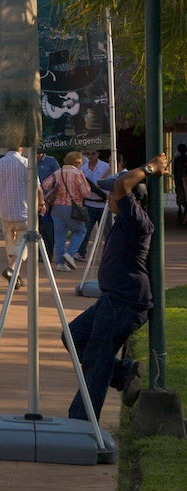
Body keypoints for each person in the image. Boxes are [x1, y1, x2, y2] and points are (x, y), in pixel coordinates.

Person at [66, 151, 169, 423]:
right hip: (112, 299)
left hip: (126, 302)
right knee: (73, 337)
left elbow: (124, 186)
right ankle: (124, 373)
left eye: (114, 194)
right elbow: (118, 187)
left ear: (134, 199)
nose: (110, 196)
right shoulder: (121, 220)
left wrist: (151, 167)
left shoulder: (138, 222)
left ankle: (82, 422)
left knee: (97, 359)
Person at [0, 146, 43, 285]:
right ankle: (12, 268)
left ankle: (15, 276)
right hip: (24, 211)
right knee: (24, 243)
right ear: (21, 148)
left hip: (5, 212)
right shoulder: (27, 163)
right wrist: (42, 203)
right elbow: (38, 187)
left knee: (10, 244)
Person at [42, 151, 92, 271]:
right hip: (72, 207)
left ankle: (60, 263)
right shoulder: (78, 174)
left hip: (57, 207)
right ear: (78, 162)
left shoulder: (58, 172)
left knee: (59, 235)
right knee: (80, 231)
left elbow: (45, 185)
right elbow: (86, 193)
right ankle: (70, 254)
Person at [77, 148, 113, 259]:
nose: (90, 156)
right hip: (89, 203)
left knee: (108, 232)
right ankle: (81, 252)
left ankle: (109, 254)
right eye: (87, 154)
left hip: (104, 203)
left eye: (93, 153)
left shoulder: (106, 167)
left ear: (98, 153)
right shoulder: (82, 168)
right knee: (86, 230)